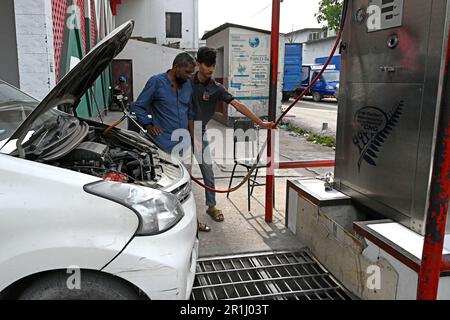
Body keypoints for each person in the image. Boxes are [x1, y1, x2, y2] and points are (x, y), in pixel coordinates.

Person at [189, 47, 276, 223]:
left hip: (199, 130)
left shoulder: (216, 88)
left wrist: (260, 123)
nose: (211, 70)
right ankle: (180, 210)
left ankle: (211, 206)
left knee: (207, 169)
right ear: (198, 64)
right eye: (207, 65)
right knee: (182, 172)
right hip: (179, 130)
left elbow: (237, 105)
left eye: (213, 65)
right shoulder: (186, 82)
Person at [133, 52, 211, 232]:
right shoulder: (156, 82)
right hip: (162, 145)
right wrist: (148, 124)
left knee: (186, 187)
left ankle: (192, 222)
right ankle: (167, 226)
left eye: (192, 73)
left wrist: (194, 138)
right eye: (187, 72)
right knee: (165, 188)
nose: (191, 76)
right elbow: (138, 106)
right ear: (176, 68)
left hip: (184, 145)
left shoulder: (187, 86)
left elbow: (190, 113)